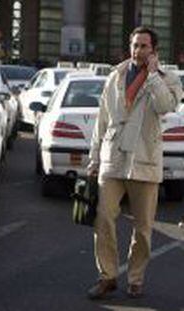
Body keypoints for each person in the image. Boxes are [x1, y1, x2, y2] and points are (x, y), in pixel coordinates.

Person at [86, 26, 182, 299]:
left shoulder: (168, 79)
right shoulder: (115, 76)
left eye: (143, 46)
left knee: (142, 228)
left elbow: (164, 106)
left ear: (154, 51)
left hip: (145, 160)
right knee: (103, 218)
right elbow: (101, 121)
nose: (138, 51)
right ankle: (107, 276)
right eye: (135, 45)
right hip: (112, 158)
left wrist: (152, 76)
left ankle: (136, 278)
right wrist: (94, 159)